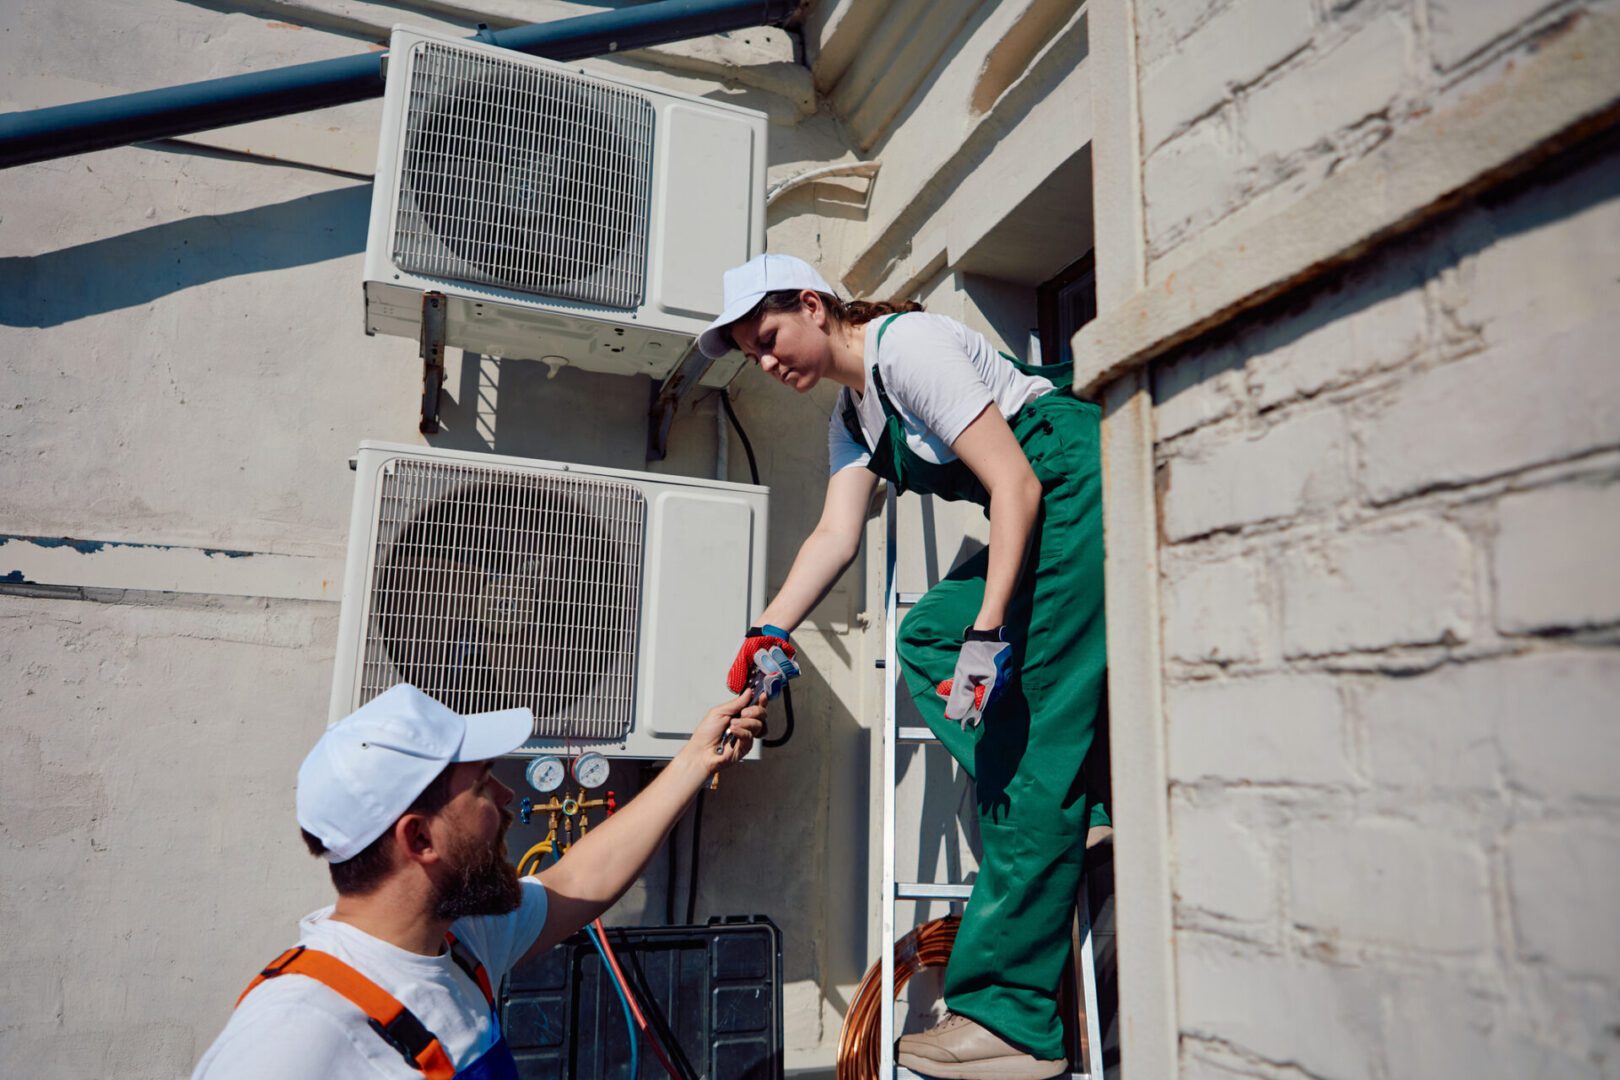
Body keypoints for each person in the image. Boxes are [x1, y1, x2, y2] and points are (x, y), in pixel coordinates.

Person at [698, 254, 1107, 1080]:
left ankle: (1012, 1023)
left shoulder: (908, 348)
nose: (770, 364)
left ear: (813, 305)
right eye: (753, 354)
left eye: (770, 339)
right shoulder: (853, 418)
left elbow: (1015, 484)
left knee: (1020, 757)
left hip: (1070, 486)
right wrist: (767, 634)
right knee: (927, 636)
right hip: (1038, 506)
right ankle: (1071, 796)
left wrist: (990, 631)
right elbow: (833, 538)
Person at [193, 682, 763, 1079]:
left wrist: (693, 760)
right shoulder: (296, 1034)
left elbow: (578, 878)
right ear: (419, 840)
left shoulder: (458, 941)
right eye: (484, 783)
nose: (510, 799)